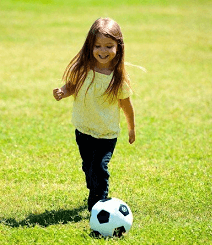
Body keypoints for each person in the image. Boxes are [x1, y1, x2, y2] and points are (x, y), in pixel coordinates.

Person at [53, 17, 135, 212]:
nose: (103, 51)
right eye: (98, 46)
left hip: (106, 134)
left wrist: (132, 128)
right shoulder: (83, 69)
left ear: (118, 47)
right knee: (89, 169)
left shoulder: (118, 78)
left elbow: (126, 105)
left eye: (109, 46)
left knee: (99, 169)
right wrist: (63, 92)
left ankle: (97, 207)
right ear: (90, 46)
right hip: (83, 130)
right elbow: (72, 86)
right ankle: (95, 189)